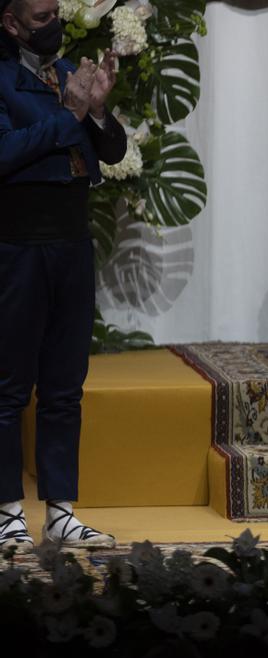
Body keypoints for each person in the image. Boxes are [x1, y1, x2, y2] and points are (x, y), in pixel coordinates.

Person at [0, 0, 126, 548]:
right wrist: (69, 116)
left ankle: (60, 513)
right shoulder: (2, 79)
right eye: (39, 17)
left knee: (64, 387)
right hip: (19, 245)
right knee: (8, 388)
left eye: (56, 13)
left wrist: (97, 111)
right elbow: (6, 152)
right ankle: (7, 513)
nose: (52, 25)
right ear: (10, 24)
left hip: (73, 244)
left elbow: (114, 149)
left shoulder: (74, 74)